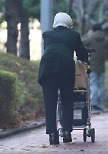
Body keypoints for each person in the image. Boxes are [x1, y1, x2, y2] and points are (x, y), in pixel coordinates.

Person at [38, 12, 88, 145]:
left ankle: (52, 135)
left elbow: (48, 50)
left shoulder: (47, 34)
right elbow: (82, 54)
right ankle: (66, 132)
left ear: (55, 22)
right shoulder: (74, 35)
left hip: (47, 68)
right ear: (69, 23)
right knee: (67, 100)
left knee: (50, 102)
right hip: (66, 68)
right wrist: (86, 62)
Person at [83, 24, 108, 112]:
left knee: (93, 85)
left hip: (93, 66)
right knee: (101, 86)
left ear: (93, 30)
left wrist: (88, 35)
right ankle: (101, 105)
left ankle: (94, 104)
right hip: (102, 67)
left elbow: (81, 42)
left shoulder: (90, 39)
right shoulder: (106, 40)